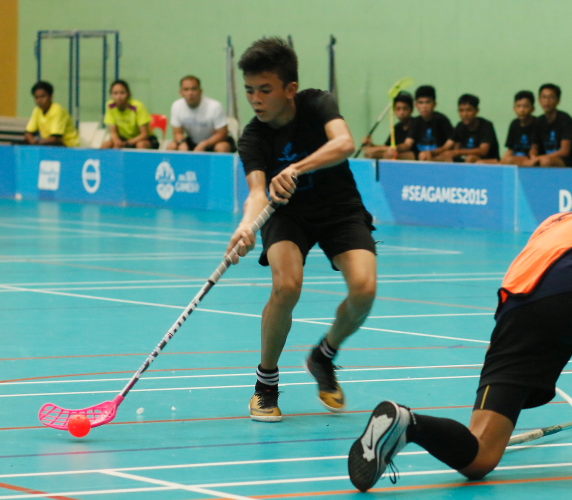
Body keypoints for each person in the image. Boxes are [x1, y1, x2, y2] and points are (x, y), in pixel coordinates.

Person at [346, 153, 572, 492]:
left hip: (514, 315)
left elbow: (535, 275)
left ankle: (409, 423)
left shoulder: (557, 222)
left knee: (481, 456)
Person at [226, 37, 377, 422]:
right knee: (286, 285)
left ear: (289, 89)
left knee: (364, 289)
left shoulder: (316, 103)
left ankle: (323, 356)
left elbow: (344, 143)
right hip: (286, 215)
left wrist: (296, 168)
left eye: (265, 89)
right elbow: (258, 192)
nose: (255, 99)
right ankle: (265, 384)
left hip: (339, 207)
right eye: (249, 90)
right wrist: (246, 226)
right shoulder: (254, 137)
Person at [166, 75, 235, 152]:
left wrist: (204, 144)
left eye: (194, 89)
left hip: (214, 142)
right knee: (171, 146)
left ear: (200, 91)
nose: (190, 93)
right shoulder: (176, 106)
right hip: (193, 141)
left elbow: (222, 134)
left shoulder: (214, 106)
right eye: (186, 89)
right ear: (181, 93)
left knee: (221, 147)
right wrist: (182, 143)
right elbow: (177, 132)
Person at [528, 84, 572, 167]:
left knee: (545, 161)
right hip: (543, 159)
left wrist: (540, 158)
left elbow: (564, 151)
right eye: (544, 97)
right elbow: (534, 147)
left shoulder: (565, 120)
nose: (547, 101)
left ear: (558, 100)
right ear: (539, 100)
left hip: (568, 162)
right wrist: (533, 156)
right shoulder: (538, 121)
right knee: (519, 161)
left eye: (551, 97)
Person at [435, 94, 499, 163]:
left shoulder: (486, 126)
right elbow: (446, 147)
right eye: (461, 110)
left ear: (476, 111)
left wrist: (457, 152)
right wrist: (429, 153)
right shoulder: (460, 126)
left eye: (469, 110)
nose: (465, 114)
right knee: (442, 158)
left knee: (470, 159)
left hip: (488, 161)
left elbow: (483, 150)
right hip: (465, 160)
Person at [398, 85, 453, 161]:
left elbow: (448, 145)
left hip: (436, 155)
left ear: (434, 104)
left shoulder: (441, 120)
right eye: (420, 102)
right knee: (394, 155)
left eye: (428, 102)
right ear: (416, 105)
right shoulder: (416, 122)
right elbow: (407, 144)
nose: (424, 106)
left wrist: (431, 153)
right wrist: (395, 148)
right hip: (419, 155)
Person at [100, 80, 159, 149]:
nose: (118, 97)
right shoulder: (110, 106)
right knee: (106, 144)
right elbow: (113, 132)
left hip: (143, 139)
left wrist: (127, 143)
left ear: (128, 94)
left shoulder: (137, 106)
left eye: (122, 93)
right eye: (115, 93)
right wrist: (116, 141)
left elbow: (144, 134)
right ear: (111, 95)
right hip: (124, 139)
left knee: (140, 145)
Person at [24, 81, 80, 147]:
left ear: (50, 97)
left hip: (67, 145)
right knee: (21, 144)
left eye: (42, 96)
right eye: (36, 97)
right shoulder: (37, 110)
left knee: (51, 145)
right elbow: (28, 133)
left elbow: (55, 138)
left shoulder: (58, 110)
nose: (39, 100)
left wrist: (38, 143)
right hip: (46, 142)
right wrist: (33, 142)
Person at [362, 91, 415, 160]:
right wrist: (371, 145)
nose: (401, 112)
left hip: (412, 154)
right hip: (395, 152)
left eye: (405, 108)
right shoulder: (397, 127)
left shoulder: (416, 123)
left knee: (388, 155)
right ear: (394, 110)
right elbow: (387, 146)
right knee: (369, 153)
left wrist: (376, 149)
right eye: (398, 109)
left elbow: (406, 146)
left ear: (411, 110)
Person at [500, 90, 538, 166]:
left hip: (528, 158)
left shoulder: (537, 123)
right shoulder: (514, 124)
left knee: (509, 160)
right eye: (518, 106)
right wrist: (501, 161)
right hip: (515, 158)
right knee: (482, 163)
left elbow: (534, 149)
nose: (521, 110)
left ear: (533, 108)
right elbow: (510, 149)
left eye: (525, 106)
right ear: (514, 108)